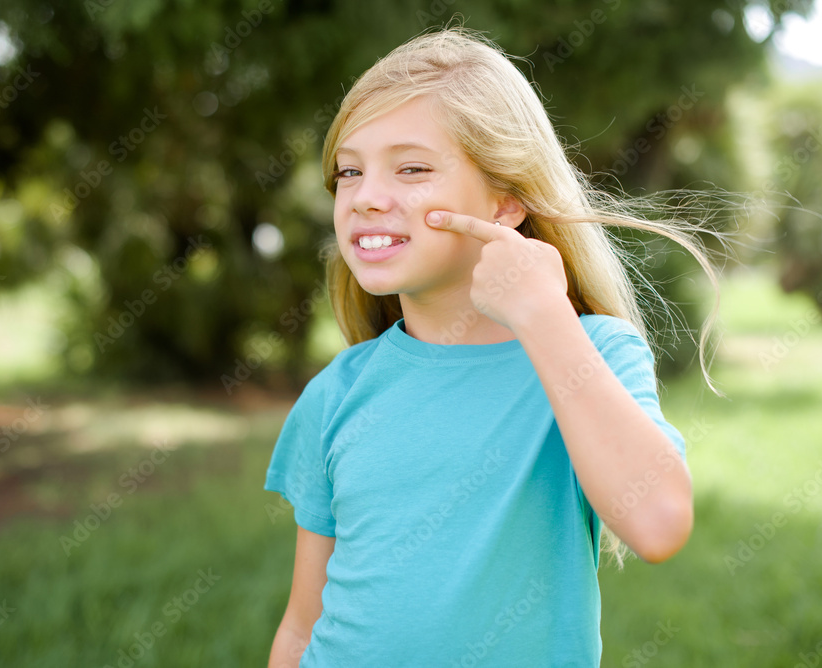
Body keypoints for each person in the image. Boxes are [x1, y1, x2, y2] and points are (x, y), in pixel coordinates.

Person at [265, 26, 716, 667]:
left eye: (413, 168)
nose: (365, 196)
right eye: (348, 171)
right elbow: (302, 626)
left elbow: (659, 523)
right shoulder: (338, 392)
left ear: (506, 200)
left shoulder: (588, 352)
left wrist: (544, 317)